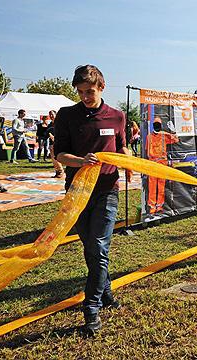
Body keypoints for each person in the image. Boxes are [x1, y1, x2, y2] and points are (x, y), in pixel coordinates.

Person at [54, 65, 132, 335]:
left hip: (108, 190)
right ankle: (107, 292)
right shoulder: (67, 115)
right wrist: (80, 160)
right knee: (91, 249)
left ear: (102, 87)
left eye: (89, 91)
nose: (85, 96)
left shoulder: (117, 117)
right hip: (77, 192)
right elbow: (60, 153)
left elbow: (122, 145)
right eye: (80, 92)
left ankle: (91, 308)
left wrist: (129, 160)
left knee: (98, 247)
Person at [145, 117, 179, 214]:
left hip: (161, 163)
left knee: (160, 185)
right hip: (153, 163)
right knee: (152, 185)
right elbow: (147, 150)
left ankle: (159, 205)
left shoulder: (164, 135)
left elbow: (176, 139)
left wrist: (173, 131)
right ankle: (152, 205)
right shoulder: (149, 136)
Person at [47, 110, 65, 178]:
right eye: (50, 115)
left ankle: (60, 171)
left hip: (58, 142)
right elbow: (47, 133)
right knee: (53, 158)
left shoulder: (60, 122)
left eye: (52, 114)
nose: (51, 116)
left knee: (57, 157)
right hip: (52, 143)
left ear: (56, 114)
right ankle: (57, 171)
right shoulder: (50, 124)